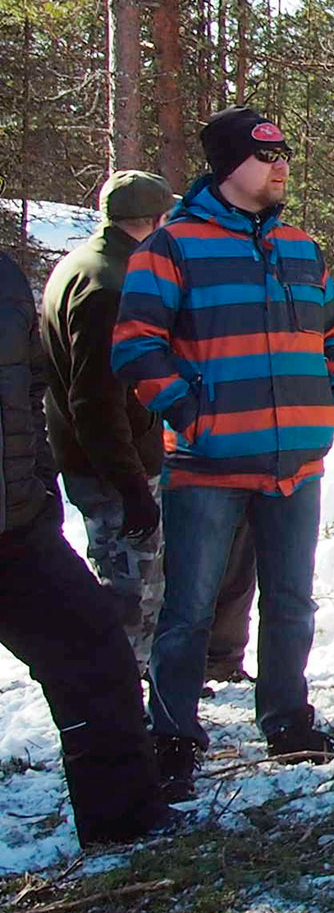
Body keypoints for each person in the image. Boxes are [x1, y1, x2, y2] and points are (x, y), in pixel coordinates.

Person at [113, 107, 334, 793]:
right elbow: (135, 346)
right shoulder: (174, 246)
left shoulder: (302, 246)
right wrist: (191, 413)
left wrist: (330, 404)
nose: (280, 166)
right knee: (189, 608)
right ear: (226, 165)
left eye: (284, 154)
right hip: (209, 464)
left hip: (295, 463)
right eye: (265, 155)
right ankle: (174, 736)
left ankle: (288, 722)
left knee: (291, 602)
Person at [39, 169, 257, 672]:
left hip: (104, 460)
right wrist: (132, 486)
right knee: (132, 597)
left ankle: (137, 698)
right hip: (113, 468)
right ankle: (129, 712)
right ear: (158, 221)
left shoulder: (86, 264)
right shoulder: (111, 285)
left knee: (134, 588)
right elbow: (94, 399)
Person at [1, 245, 176, 848]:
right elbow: (88, 397)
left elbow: (29, 394)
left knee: (98, 650)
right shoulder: (100, 285)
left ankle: (125, 824)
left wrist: (36, 489)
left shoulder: (6, 277)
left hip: (15, 527)